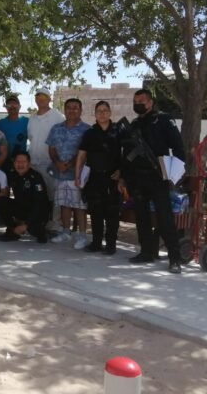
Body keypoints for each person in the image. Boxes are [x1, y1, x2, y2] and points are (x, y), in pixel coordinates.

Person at [119, 89, 186, 274]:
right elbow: (127, 154)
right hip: (137, 178)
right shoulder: (134, 125)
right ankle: (146, 252)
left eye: (141, 100)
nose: (137, 103)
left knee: (165, 218)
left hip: (158, 177)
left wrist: (174, 172)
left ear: (150, 102)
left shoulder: (163, 120)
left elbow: (178, 148)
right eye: (135, 101)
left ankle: (174, 258)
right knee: (142, 217)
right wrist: (124, 176)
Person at [75, 101, 121, 255]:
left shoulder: (119, 131)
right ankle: (96, 243)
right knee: (96, 212)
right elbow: (81, 155)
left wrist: (121, 172)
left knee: (112, 214)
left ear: (110, 113)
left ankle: (111, 245)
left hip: (113, 179)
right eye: (99, 111)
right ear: (94, 114)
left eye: (105, 110)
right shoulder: (90, 133)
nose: (102, 113)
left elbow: (126, 154)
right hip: (94, 178)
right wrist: (77, 176)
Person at [46, 98, 91, 249]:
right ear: (64, 110)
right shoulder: (56, 128)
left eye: (75, 107)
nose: (72, 110)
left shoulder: (87, 129)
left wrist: (71, 164)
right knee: (64, 204)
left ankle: (82, 236)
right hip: (59, 173)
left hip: (77, 175)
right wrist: (57, 163)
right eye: (69, 107)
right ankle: (66, 232)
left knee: (79, 206)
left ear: (81, 110)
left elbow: (85, 152)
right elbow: (51, 149)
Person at [27, 87, 65, 234]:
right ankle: (38, 222)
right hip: (34, 163)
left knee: (53, 195)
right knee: (37, 195)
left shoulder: (58, 117)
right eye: (38, 97)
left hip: (51, 163)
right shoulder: (32, 118)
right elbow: (31, 138)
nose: (40, 100)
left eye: (44, 97)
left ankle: (55, 224)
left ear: (49, 99)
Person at [0, 152, 49, 243]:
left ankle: (39, 230)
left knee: (36, 231)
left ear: (29, 163)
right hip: (22, 208)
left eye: (23, 162)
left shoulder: (35, 177)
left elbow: (39, 203)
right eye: (17, 162)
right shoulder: (13, 174)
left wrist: (26, 225)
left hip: (37, 212)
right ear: (14, 163)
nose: (20, 165)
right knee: (2, 201)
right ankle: (13, 231)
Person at [0, 94, 29, 172]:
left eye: (15, 104)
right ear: (6, 107)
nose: (12, 106)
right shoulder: (0, 124)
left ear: (19, 106)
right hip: (4, 162)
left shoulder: (26, 122)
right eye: (9, 105)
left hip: (21, 163)